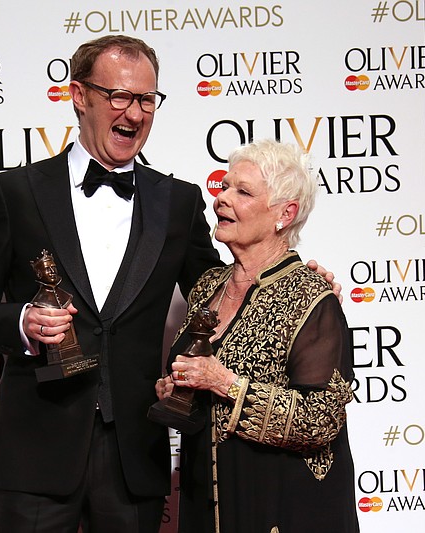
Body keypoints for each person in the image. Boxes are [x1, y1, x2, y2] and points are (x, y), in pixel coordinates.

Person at [0, 35, 339, 533]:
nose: (134, 113)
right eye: (119, 96)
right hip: (36, 452)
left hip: (135, 455)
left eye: (147, 99)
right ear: (79, 96)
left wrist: (291, 280)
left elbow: (220, 290)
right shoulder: (16, 192)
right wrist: (22, 321)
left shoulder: (176, 202)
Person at [155, 139, 359, 533]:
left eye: (242, 191)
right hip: (208, 506)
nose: (221, 199)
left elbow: (320, 420)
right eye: (225, 186)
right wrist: (175, 389)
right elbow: (198, 393)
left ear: (286, 213)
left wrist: (224, 383)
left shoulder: (310, 295)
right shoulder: (206, 288)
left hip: (282, 509)